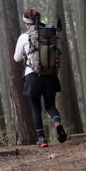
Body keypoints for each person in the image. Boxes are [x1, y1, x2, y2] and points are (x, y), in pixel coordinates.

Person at [13, 8, 67, 148]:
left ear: (26, 23)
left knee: (36, 109)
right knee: (50, 106)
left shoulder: (24, 37)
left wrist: (26, 54)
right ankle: (57, 123)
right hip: (50, 75)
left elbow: (16, 58)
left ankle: (42, 139)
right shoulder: (50, 34)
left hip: (32, 76)